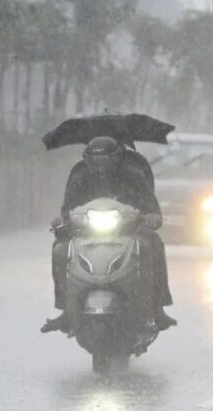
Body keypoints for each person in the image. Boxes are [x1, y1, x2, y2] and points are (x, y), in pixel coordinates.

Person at [42, 136, 177, 333]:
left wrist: (151, 218)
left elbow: (152, 208)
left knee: (152, 245)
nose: (101, 167)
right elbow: (67, 210)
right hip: (86, 234)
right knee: (60, 250)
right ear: (87, 160)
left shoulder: (134, 176)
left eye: (106, 161)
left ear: (117, 158)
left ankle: (156, 307)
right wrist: (62, 223)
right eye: (95, 161)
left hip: (129, 231)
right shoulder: (80, 177)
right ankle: (66, 310)